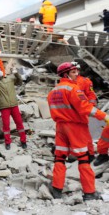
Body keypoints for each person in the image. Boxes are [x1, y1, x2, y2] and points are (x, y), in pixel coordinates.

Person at [47, 62, 109, 200]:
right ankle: (89, 192)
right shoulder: (73, 89)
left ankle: (57, 189)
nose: (77, 74)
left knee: (60, 157)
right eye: (73, 72)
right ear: (65, 74)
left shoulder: (53, 91)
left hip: (60, 127)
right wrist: (104, 116)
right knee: (84, 159)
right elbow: (85, 108)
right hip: (75, 126)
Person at [0, 67, 27, 150]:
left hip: (14, 105)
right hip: (4, 107)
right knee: (6, 126)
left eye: (0, 70)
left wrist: (16, 73)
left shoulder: (10, 79)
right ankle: (7, 142)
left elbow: (20, 82)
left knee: (19, 123)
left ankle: (23, 141)